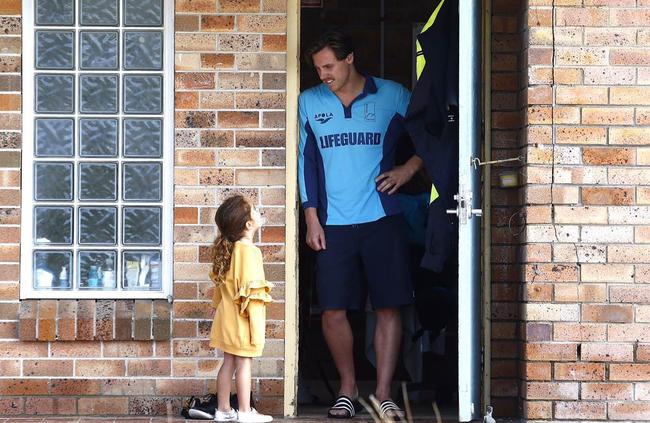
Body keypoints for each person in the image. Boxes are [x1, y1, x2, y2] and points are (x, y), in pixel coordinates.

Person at [298, 29, 423, 420]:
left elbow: (432, 134)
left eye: (329, 66)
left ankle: (384, 394)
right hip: (332, 223)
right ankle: (347, 390)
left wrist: (408, 168)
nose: (323, 75)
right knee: (334, 310)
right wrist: (310, 216)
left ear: (349, 59)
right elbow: (307, 163)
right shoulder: (308, 101)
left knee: (387, 307)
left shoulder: (392, 94)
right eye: (318, 68)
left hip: (382, 219)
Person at [209, 194, 274, 423]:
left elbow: (219, 292)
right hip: (242, 318)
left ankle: (223, 410)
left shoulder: (229, 250)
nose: (258, 211)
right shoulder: (249, 251)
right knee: (244, 363)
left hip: (225, 317)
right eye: (254, 209)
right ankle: (245, 411)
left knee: (228, 363)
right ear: (248, 224)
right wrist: (256, 328)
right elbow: (252, 294)